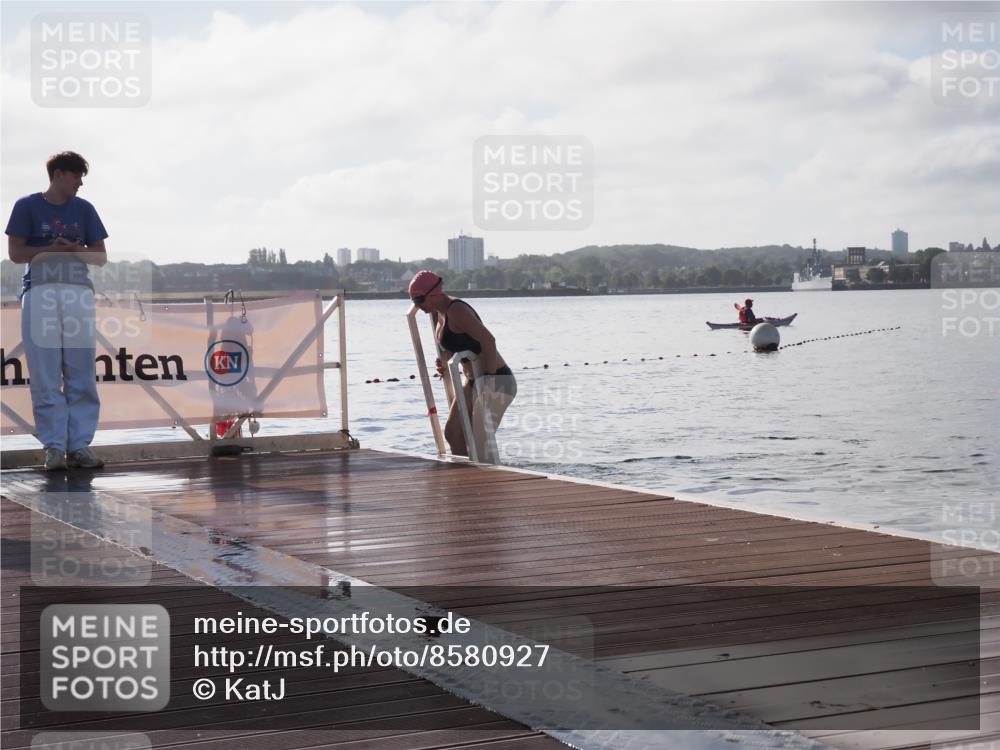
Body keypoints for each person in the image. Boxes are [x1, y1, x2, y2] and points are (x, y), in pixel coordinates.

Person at [5, 151, 108, 471]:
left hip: (78, 292)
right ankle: (54, 446)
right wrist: (50, 249)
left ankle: (79, 446)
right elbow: (16, 253)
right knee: (45, 373)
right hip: (40, 292)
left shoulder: (85, 210)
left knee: (81, 372)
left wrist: (77, 250)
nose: (80, 183)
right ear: (59, 174)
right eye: (76, 176)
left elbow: (100, 257)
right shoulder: (27, 206)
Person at [408, 270, 516, 461]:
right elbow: (457, 343)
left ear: (433, 294)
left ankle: (489, 482)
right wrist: (443, 361)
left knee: (479, 440)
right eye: (414, 301)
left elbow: (488, 341)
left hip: (497, 379)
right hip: (472, 380)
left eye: (419, 300)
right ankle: (467, 477)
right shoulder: (436, 314)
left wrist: (488, 383)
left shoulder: (457, 311)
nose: (417, 306)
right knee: (453, 433)